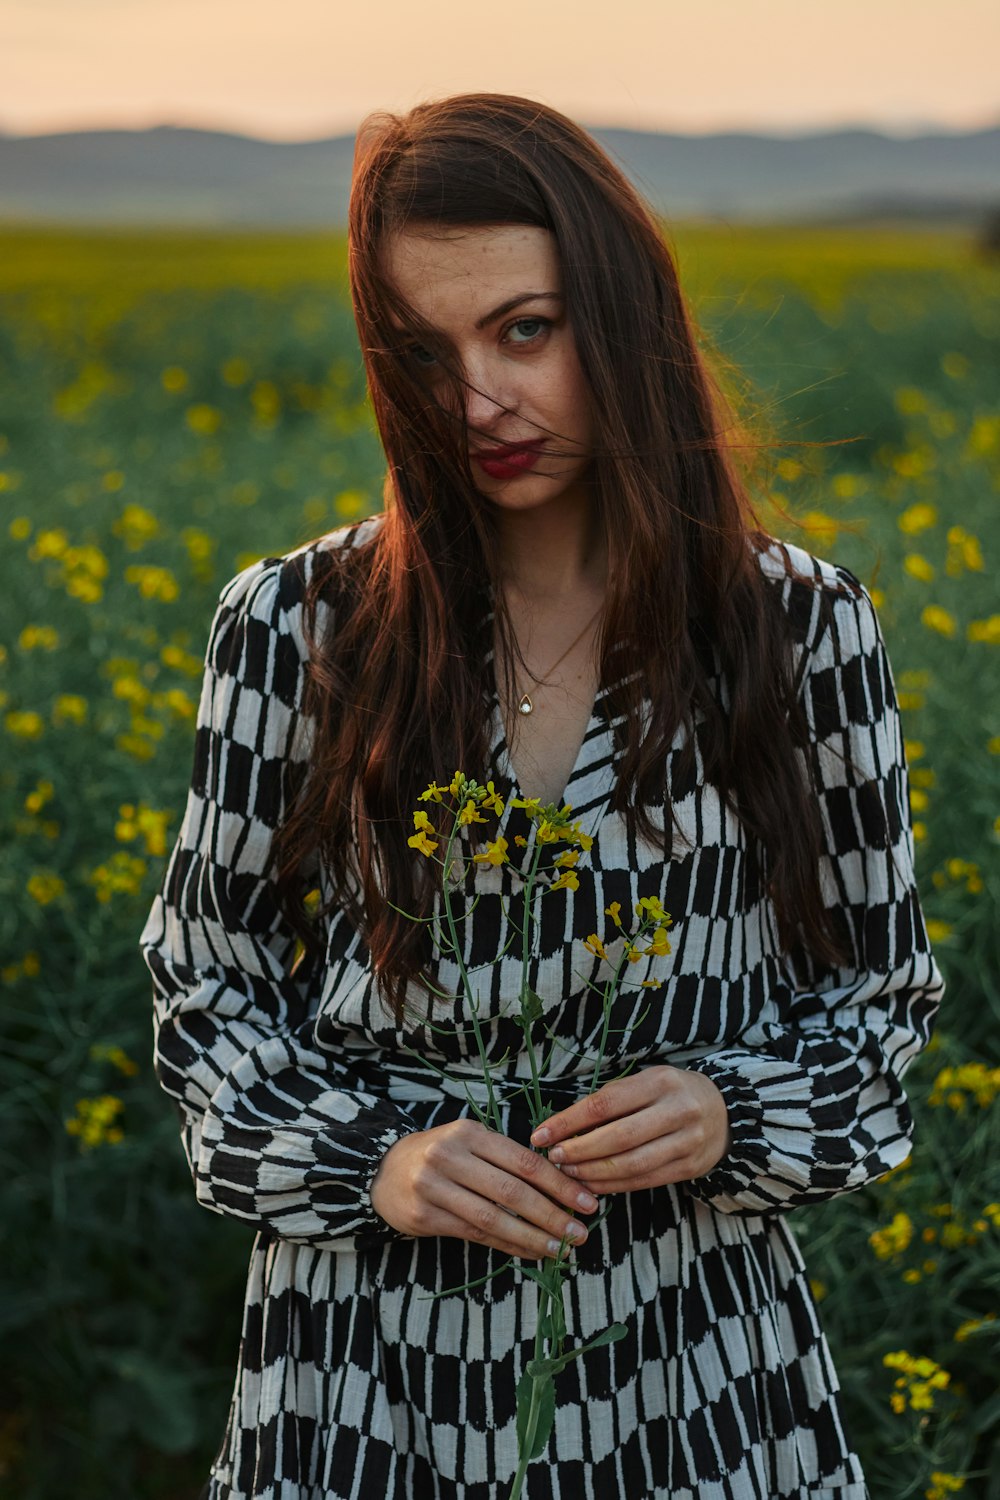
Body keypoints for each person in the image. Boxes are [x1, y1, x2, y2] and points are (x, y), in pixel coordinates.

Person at [139, 93, 944, 1500]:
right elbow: (204, 985)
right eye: (422, 352)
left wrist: (730, 1114)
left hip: (689, 1366)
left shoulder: (797, 629)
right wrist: (376, 1160)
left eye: (527, 328)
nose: (478, 404)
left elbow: (878, 1006)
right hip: (365, 1371)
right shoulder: (298, 625)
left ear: (624, 312)